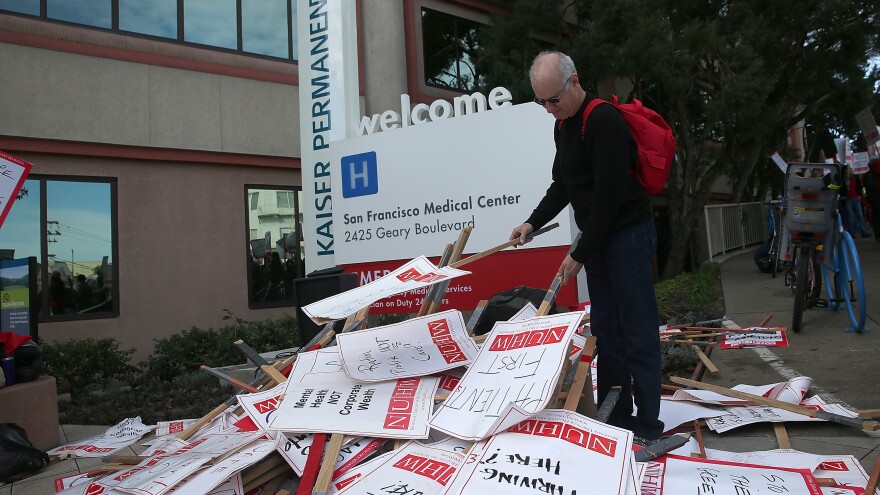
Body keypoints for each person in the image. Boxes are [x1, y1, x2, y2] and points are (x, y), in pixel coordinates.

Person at [510, 51, 663, 442]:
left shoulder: (603, 121)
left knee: (638, 330)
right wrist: (532, 222)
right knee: (607, 331)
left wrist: (579, 252)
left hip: (627, 234)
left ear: (574, 82)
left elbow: (610, 198)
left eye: (553, 100)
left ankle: (648, 425)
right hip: (598, 239)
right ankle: (617, 419)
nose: (548, 109)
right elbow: (564, 184)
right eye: (541, 102)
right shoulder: (563, 126)